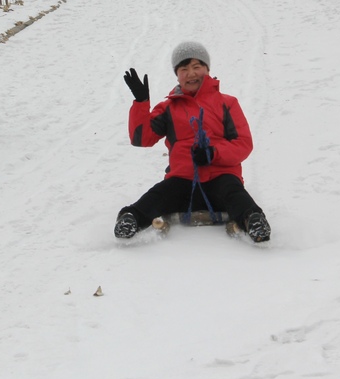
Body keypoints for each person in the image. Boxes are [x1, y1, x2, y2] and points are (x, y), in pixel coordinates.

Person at [115, 41, 271, 242]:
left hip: (220, 176)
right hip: (183, 180)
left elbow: (243, 143)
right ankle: (132, 218)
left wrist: (213, 153)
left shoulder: (227, 103)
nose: (191, 73)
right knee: (162, 193)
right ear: (177, 75)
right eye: (184, 68)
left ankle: (254, 220)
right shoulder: (169, 108)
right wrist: (141, 103)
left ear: (207, 69)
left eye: (197, 67)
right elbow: (141, 139)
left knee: (233, 192)